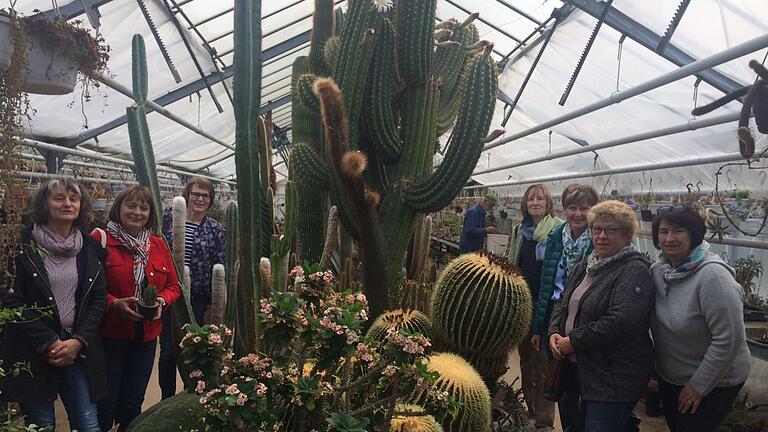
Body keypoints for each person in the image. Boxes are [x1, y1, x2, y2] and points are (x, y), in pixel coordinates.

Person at [1, 178, 107, 431]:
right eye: (59, 198)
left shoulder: (90, 248)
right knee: (43, 424)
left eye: (74, 198)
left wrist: (79, 340)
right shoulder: (21, 245)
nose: (67, 203)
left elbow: (98, 299)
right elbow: (11, 298)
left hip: (77, 349)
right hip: (34, 351)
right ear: (44, 204)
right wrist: (49, 341)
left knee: (88, 424)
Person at [548, 200, 654, 432]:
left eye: (611, 230)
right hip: (574, 370)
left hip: (611, 378)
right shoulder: (587, 264)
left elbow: (620, 321)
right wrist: (554, 331)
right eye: (597, 229)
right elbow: (563, 301)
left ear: (627, 235)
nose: (602, 236)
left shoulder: (634, 269)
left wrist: (572, 341)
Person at [650, 206, 750, 432]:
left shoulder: (713, 277)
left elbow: (729, 340)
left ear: (694, 234)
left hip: (715, 378)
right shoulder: (659, 270)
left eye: (678, 231)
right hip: (672, 374)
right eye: (663, 232)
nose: (670, 238)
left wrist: (698, 386)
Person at [96, 186, 180, 432]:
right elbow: (88, 288)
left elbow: (174, 286)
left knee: (133, 401)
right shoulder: (100, 241)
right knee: (107, 401)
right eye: (131, 206)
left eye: (144, 208)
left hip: (146, 336)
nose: (137, 212)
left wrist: (162, 301)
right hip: (110, 335)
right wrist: (114, 303)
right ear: (118, 208)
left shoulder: (157, 245)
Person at [158, 176, 225, 398]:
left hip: (197, 298)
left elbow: (220, 263)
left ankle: (193, 393)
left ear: (210, 200)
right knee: (168, 351)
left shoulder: (215, 229)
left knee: (194, 349)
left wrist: (212, 304)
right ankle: (166, 397)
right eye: (195, 194)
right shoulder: (168, 219)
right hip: (168, 295)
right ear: (187, 195)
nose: (200, 199)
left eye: (205, 196)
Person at [507, 184, 563, 431]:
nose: (536, 203)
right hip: (522, 303)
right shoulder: (520, 230)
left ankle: (543, 421)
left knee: (542, 364)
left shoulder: (557, 230)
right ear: (525, 204)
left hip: (546, 304)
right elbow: (512, 260)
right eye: (531, 199)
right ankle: (529, 413)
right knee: (525, 359)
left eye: (540, 198)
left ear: (548, 203)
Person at [531, 184, 598, 354]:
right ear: (564, 209)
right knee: (553, 366)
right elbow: (546, 284)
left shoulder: (600, 240)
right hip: (553, 312)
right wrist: (538, 328)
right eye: (572, 208)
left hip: (584, 316)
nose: (577, 214)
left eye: (584, 208)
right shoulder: (554, 238)